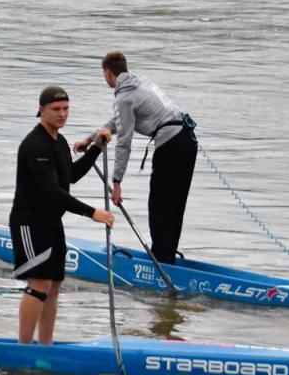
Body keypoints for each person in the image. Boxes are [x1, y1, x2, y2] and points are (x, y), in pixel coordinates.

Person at [11, 86, 114, 345]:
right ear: (41, 110)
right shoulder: (35, 145)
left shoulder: (60, 142)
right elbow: (51, 192)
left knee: (54, 284)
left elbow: (71, 176)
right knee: (39, 284)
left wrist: (96, 148)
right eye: (56, 109)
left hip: (51, 222)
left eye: (66, 109)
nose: (62, 114)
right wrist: (91, 213)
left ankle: (45, 347)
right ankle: (24, 348)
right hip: (30, 222)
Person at [73, 50, 197, 263]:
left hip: (170, 145)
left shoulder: (124, 96)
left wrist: (117, 181)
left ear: (108, 73)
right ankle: (167, 253)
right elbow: (118, 122)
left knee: (159, 205)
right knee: (175, 204)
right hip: (188, 140)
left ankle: (162, 259)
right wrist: (90, 139)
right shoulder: (141, 82)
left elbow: (124, 141)